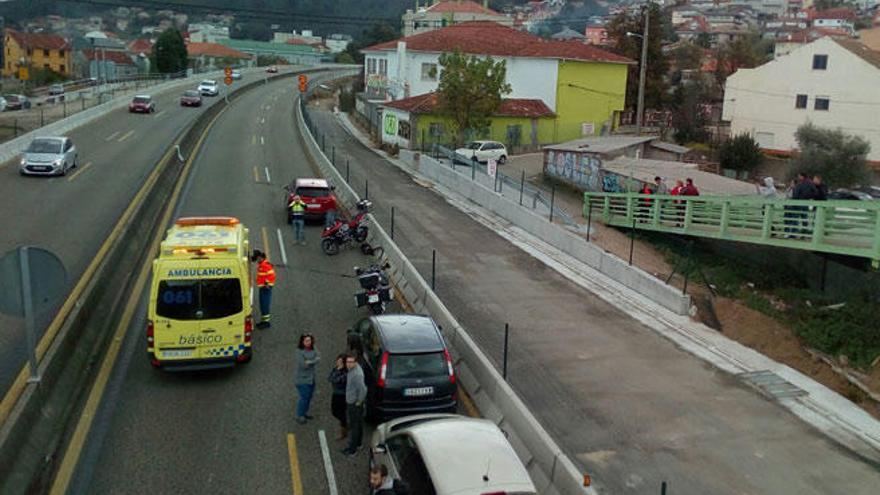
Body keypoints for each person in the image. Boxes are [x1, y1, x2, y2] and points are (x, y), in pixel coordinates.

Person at [342, 353, 367, 456]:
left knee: (354, 427)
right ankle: (358, 444)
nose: (348, 364)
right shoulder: (353, 370)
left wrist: (359, 402)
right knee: (358, 424)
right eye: (347, 362)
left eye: (351, 362)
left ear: (355, 362)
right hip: (353, 401)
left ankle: (352, 450)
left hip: (354, 404)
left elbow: (363, 389)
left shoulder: (357, 374)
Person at [295, 334, 320, 424]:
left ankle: (304, 413)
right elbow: (304, 365)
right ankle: (299, 415)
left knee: (309, 397)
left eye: (309, 340)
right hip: (302, 380)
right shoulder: (299, 352)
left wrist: (310, 361)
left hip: (311, 378)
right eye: (306, 341)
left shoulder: (313, 348)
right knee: (304, 398)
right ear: (302, 342)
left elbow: (318, 358)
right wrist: (313, 360)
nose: (308, 343)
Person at [251, 250, 275, 329]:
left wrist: (267, 284)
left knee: (264, 305)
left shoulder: (265, 265)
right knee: (262, 305)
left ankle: (266, 323)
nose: (256, 261)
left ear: (260, 257)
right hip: (263, 288)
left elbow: (272, 275)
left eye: (257, 259)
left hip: (265, 288)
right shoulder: (262, 264)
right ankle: (263, 321)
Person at [328, 353, 348, 440]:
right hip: (336, 393)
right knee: (334, 411)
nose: (338, 363)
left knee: (340, 412)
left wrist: (338, 371)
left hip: (342, 395)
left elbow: (336, 380)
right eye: (338, 361)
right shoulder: (336, 369)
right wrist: (337, 371)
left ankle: (344, 428)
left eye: (341, 362)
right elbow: (330, 378)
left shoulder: (346, 373)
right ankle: (345, 423)